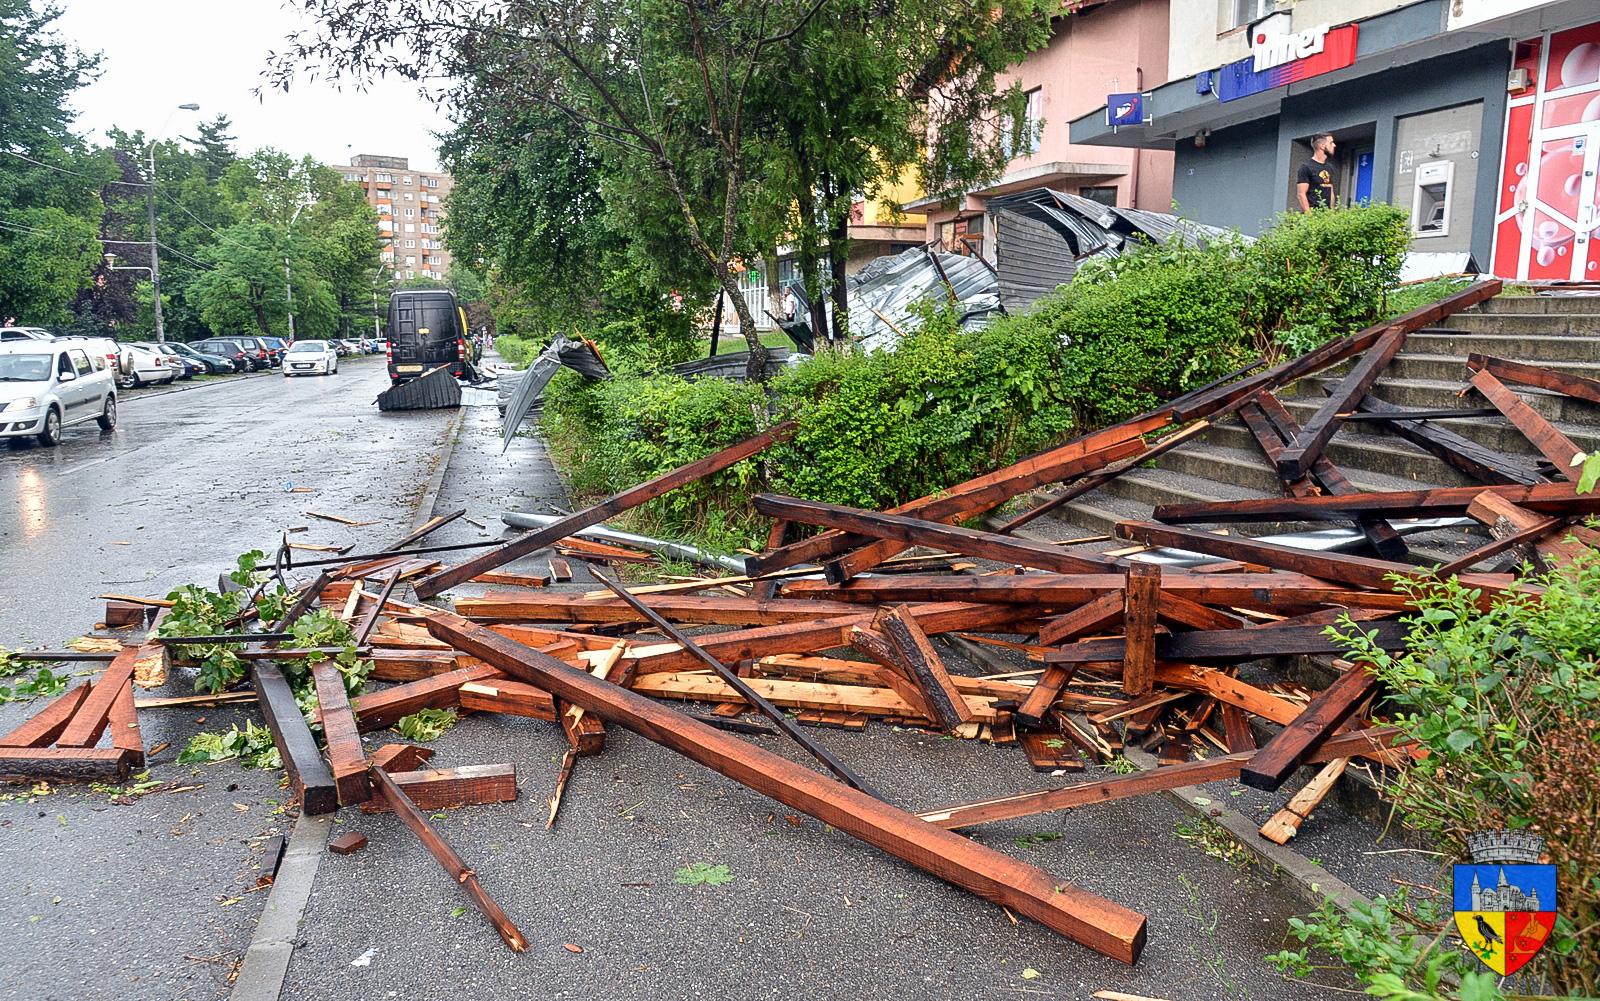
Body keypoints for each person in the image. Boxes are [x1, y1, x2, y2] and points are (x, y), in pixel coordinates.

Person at [1296, 133, 1337, 212]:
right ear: (1322, 146)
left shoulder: (1329, 167)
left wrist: (1332, 213)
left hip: (1326, 216)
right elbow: (1301, 194)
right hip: (1314, 216)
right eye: (1331, 143)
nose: (1334, 145)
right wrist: (1310, 217)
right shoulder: (1306, 167)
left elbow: (1330, 191)